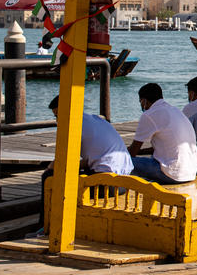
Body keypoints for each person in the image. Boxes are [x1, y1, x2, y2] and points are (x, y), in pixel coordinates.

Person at [39, 96, 134, 228]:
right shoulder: (96, 119)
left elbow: (61, 161)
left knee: (49, 177)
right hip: (124, 182)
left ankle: (45, 225)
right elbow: (92, 159)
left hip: (107, 187)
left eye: (57, 116)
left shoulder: (73, 124)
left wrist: (48, 168)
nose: (57, 121)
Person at [129, 83, 197, 185]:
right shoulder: (176, 111)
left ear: (144, 101)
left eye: (140, 102)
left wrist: (123, 151)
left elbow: (132, 152)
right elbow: (168, 148)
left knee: (123, 161)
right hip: (190, 172)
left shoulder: (149, 114)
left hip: (172, 174)